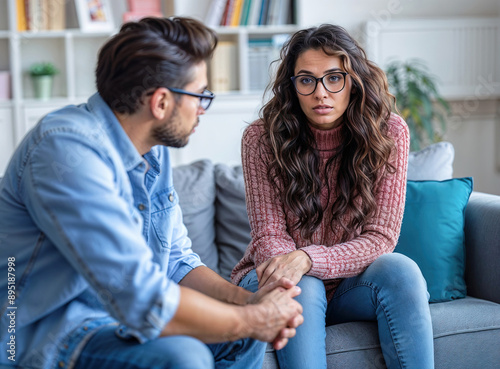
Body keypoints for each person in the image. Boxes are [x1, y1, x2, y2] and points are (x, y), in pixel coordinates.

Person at [0, 17, 303, 369]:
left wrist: (248, 303)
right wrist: (256, 319)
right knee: (186, 355)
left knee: (243, 335)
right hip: (41, 333)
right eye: (201, 95)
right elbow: (141, 297)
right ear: (160, 103)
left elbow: (175, 260)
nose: (203, 108)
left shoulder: (152, 150)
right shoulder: (66, 151)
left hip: (117, 322)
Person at [232, 24, 434, 369]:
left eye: (334, 77)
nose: (321, 93)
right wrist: (300, 268)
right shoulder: (261, 139)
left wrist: (309, 259)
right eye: (307, 80)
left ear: (353, 79)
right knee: (303, 286)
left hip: (348, 285)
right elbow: (268, 236)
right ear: (292, 86)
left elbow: (381, 238)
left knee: (401, 270)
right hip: (273, 273)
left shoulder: (389, 132)